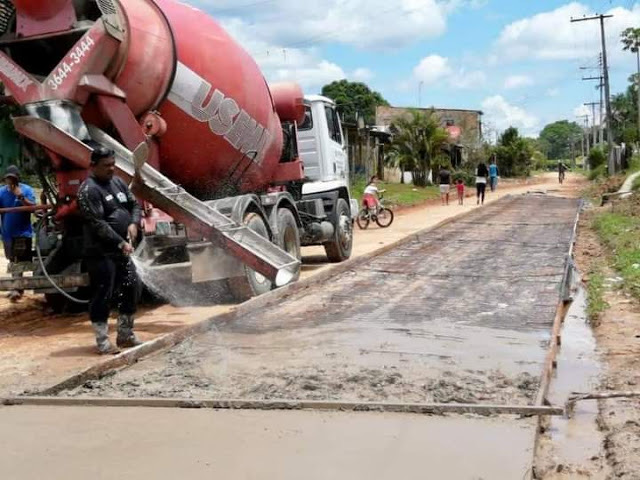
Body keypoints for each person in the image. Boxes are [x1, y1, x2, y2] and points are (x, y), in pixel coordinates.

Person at [78, 145, 143, 354]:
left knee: (132, 284)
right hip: (100, 252)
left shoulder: (118, 182)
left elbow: (135, 205)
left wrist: (133, 223)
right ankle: (103, 341)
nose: (112, 169)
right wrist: (120, 242)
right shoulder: (88, 190)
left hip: (121, 251)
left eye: (113, 164)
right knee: (103, 293)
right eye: (106, 165)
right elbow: (98, 224)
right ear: (93, 166)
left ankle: (126, 334)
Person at [0, 165, 36, 302]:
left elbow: (33, 207)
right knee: (11, 258)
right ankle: (17, 285)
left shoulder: (26, 190)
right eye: (8, 179)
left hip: (22, 232)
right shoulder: (1, 192)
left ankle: (16, 287)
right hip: (7, 232)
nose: (10, 182)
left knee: (20, 259)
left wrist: (20, 196)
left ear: (17, 179)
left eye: (12, 179)